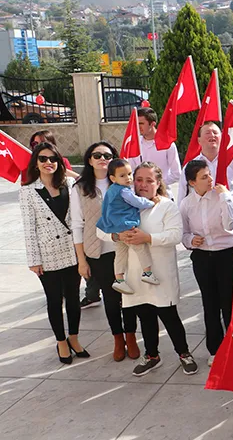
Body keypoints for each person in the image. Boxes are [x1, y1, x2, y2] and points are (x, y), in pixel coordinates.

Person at [101, 162, 197, 377]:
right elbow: (101, 230)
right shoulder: (120, 203)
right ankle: (152, 355)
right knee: (145, 317)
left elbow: (175, 236)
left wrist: (148, 238)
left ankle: (184, 353)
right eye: (139, 179)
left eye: (149, 180)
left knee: (169, 316)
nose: (143, 184)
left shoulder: (167, 206)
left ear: (158, 183)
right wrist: (116, 236)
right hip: (135, 276)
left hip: (161, 274)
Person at [20, 142, 89, 364]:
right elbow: (29, 228)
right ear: (36, 163)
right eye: (43, 159)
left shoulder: (70, 184)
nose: (48, 163)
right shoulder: (28, 191)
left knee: (73, 299)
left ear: (59, 162)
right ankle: (61, 341)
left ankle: (74, 338)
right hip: (47, 255)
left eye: (53, 158)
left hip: (72, 251)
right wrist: (34, 260)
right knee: (53, 300)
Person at [71, 142, 139, 362]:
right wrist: (81, 260)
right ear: (89, 160)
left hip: (126, 247)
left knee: (127, 294)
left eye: (107, 155)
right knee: (110, 297)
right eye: (96, 155)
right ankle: (118, 338)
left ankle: (131, 336)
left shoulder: (123, 183)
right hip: (97, 251)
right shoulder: (80, 187)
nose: (102, 158)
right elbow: (77, 224)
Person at [180, 160, 233, 366]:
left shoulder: (222, 195)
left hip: (226, 255)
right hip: (203, 258)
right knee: (210, 304)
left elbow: (230, 224)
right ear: (192, 182)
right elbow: (184, 233)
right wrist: (190, 241)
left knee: (229, 303)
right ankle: (215, 349)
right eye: (204, 177)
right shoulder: (186, 204)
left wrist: (224, 196)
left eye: (209, 175)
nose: (210, 180)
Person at [97, 159, 158, 295]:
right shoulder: (124, 191)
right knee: (140, 248)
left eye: (130, 174)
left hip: (115, 227)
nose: (128, 178)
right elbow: (136, 202)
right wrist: (150, 203)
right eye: (123, 175)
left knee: (120, 253)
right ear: (113, 178)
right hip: (126, 224)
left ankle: (119, 279)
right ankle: (147, 272)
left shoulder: (111, 190)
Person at [128, 108, 181, 187]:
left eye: (141, 123)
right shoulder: (133, 143)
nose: (138, 127)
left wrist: (155, 184)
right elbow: (130, 171)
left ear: (152, 124)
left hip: (162, 194)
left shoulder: (167, 145)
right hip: (139, 195)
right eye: (136, 124)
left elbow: (176, 174)